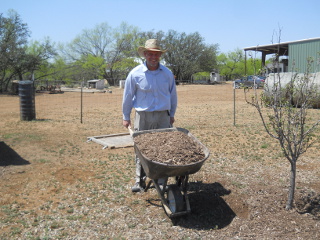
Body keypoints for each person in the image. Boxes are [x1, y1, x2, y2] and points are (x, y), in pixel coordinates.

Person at [122, 39, 178, 192]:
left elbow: (173, 96)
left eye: (156, 54)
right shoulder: (135, 74)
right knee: (141, 149)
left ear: (160, 55)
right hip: (143, 116)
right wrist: (126, 116)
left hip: (162, 116)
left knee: (163, 148)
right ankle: (139, 181)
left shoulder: (167, 74)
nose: (153, 57)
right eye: (150, 54)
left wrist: (171, 114)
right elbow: (128, 96)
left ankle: (161, 181)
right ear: (145, 54)